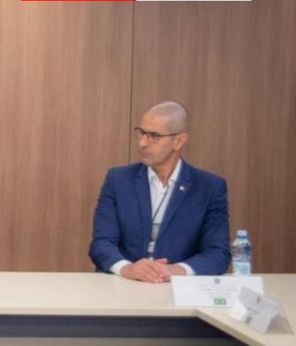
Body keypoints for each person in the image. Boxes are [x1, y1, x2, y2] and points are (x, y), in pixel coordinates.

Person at [89, 101, 230, 283]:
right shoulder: (118, 180)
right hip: (124, 284)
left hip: (177, 288)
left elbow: (218, 253)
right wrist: (128, 268)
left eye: (153, 136)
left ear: (179, 141)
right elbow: (101, 244)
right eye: (141, 133)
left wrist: (175, 270)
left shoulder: (209, 188)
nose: (142, 143)